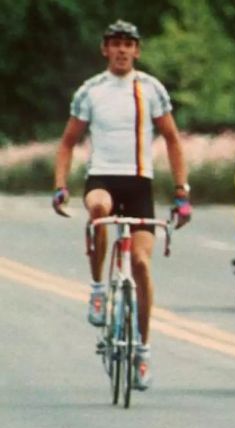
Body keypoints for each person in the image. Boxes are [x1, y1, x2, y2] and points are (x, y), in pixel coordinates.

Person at [51, 20, 192, 391]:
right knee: (98, 210)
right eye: (115, 44)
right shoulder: (91, 91)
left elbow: (173, 140)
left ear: (137, 51)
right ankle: (98, 289)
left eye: (128, 44)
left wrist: (182, 192)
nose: (122, 51)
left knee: (142, 265)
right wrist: (60, 186)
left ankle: (142, 351)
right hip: (103, 177)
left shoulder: (150, 88)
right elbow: (67, 143)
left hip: (139, 182)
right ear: (105, 49)